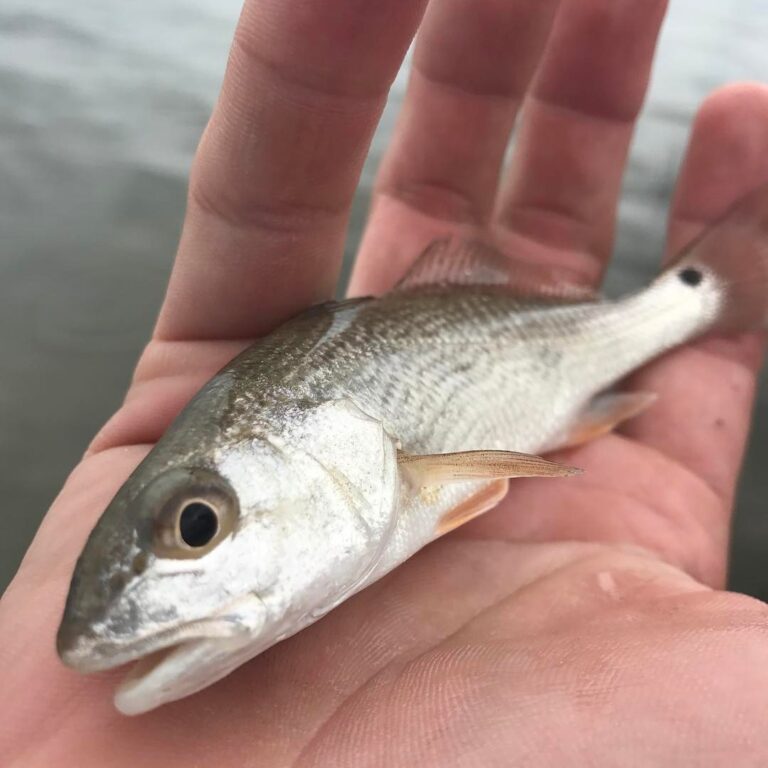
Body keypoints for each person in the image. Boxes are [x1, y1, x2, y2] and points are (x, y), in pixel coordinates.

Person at [2, 0, 768, 764]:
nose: (197, 528)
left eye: (198, 524)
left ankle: (702, 296)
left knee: (677, 309)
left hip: (551, 346)